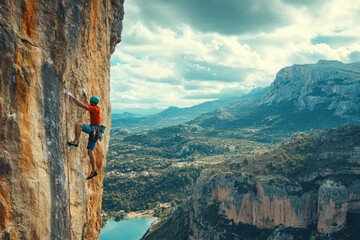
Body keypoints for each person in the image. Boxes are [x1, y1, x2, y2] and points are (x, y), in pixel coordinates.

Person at [66, 88, 101, 180]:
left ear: (93, 103)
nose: (90, 102)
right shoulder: (96, 108)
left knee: (79, 125)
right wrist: (85, 95)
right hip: (97, 132)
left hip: (93, 130)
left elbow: (82, 105)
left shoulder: (94, 109)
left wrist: (72, 96)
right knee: (90, 151)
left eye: (91, 101)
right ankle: (94, 170)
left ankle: (76, 141)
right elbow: (87, 105)